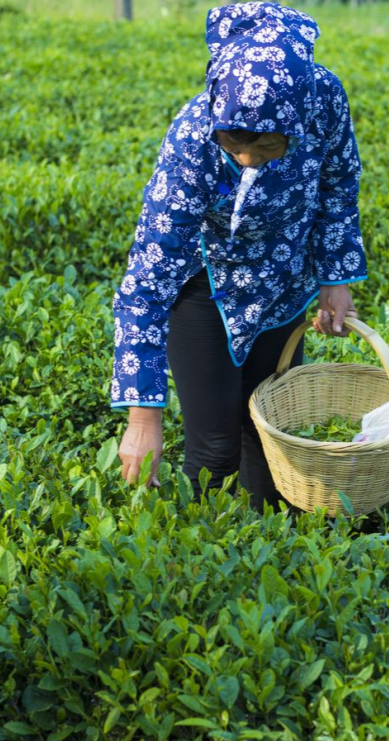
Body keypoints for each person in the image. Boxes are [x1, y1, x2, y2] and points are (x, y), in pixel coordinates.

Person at [111, 1, 368, 508]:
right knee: (214, 447)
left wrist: (334, 280)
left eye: (268, 149)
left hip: (285, 279)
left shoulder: (324, 99)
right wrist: (143, 418)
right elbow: (148, 280)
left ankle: (269, 557)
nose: (248, 162)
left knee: (271, 433)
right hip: (207, 287)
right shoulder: (192, 138)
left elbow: (338, 186)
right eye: (235, 147)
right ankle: (199, 560)